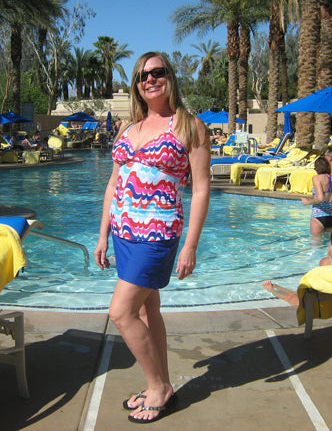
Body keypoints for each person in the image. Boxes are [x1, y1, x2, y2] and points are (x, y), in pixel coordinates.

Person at [93, 51, 210, 424]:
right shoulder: (128, 128)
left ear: (170, 77)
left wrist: (190, 245)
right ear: (136, 85)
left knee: (120, 312)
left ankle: (158, 388)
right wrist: (102, 235)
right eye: (143, 76)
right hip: (123, 233)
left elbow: (201, 189)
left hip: (158, 234)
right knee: (147, 310)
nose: (150, 80)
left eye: (157, 72)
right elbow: (113, 184)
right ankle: (161, 383)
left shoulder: (189, 126)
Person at [263, 223, 332, 306]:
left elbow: (321, 287)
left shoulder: (326, 262)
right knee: (299, 294)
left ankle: (273, 290)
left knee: (294, 298)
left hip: (330, 305)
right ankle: (283, 289)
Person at [301, 156, 332, 234]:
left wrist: (307, 202)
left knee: (315, 241)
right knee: (328, 240)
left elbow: (320, 198)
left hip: (319, 215)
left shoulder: (317, 178)